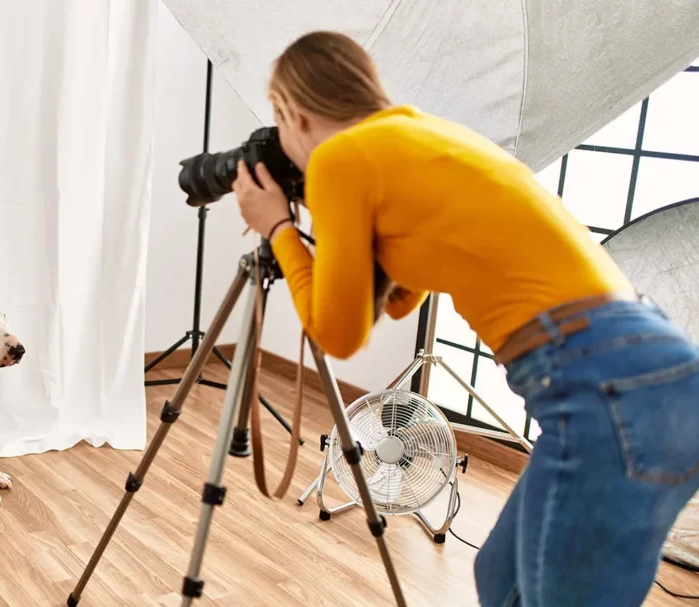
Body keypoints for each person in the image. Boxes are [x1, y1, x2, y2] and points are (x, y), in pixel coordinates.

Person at [232, 30, 699, 607]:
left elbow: (338, 335)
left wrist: (278, 225)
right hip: (652, 373)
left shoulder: (340, 159)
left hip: (603, 386)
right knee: (501, 580)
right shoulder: (429, 137)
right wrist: (341, 235)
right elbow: (402, 298)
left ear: (292, 114)